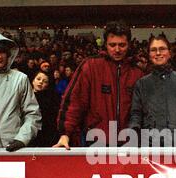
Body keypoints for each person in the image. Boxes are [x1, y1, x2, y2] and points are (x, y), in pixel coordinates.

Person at [53, 21, 143, 149]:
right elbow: (74, 101)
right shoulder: (90, 66)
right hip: (96, 141)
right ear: (105, 44)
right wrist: (65, 133)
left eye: (122, 45)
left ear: (129, 44)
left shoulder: (137, 72)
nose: (117, 49)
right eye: (112, 45)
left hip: (128, 144)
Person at [129, 35, 176, 146]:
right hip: (149, 144)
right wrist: (136, 131)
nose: (158, 53)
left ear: (169, 52)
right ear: (149, 54)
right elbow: (136, 113)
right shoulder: (142, 83)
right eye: (153, 50)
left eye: (162, 49)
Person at [31, 71, 61, 147]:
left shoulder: (51, 99)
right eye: (38, 79)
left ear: (47, 85)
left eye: (45, 81)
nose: (41, 82)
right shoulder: (25, 96)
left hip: (45, 134)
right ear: (33, 81)